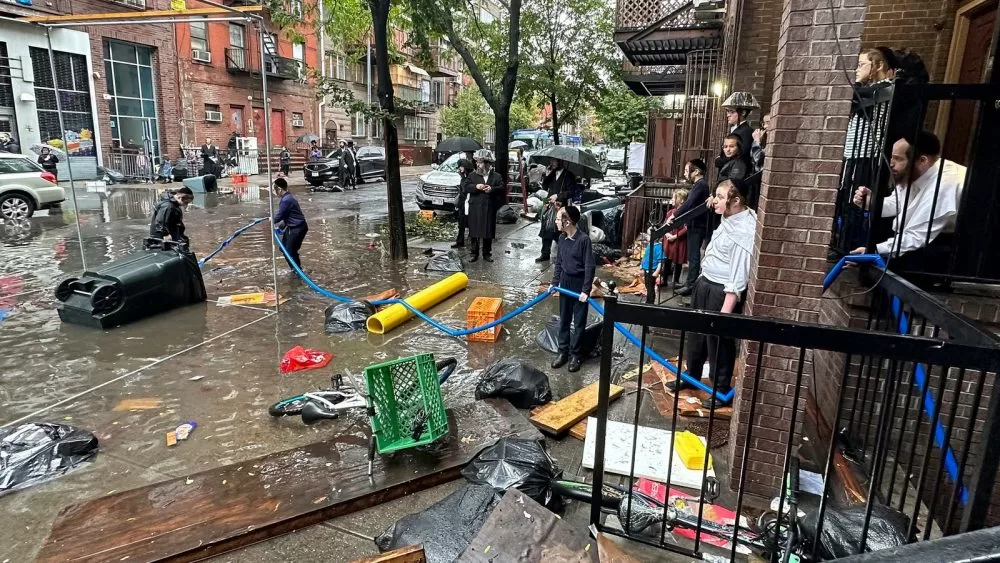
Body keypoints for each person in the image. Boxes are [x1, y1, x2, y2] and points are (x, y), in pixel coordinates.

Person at [667, 178, 757, 409]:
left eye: (719, 196)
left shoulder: (744, 230)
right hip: (705, 282)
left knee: (719, 341)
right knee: (696, 335)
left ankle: (721, 389)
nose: (714, 200)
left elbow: (738, 276)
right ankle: (692, 376)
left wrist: (726, 309)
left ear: (736, 201)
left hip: (721, 290)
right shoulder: (728, 217)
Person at [851, 131, 966, 270]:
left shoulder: (945, 183)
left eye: (898, 158)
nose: (891, 164)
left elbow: (917, 236)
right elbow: (898, 203)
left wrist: (873, 251)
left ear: (922, 160)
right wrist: (871, 202)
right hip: (927, 239)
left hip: (956, 247)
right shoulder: (915, 173)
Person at [549, 205, 595, 373]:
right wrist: (554, 283)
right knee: (564, 319)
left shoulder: (583, 240)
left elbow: (589, 266)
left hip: (579, 284)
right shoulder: (562, 239)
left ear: (567, 222)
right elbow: (559, 263)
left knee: (579, 322)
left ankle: (576, 355)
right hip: (565, 283)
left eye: (558, 219)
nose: (556, 222)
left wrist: (586, 290)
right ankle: (563, 352)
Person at [669, 159, 710, 297]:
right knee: (692, 256)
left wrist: (674, 215)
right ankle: (689, 283)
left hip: (698, 225)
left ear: (696, 171)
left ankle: (691, 285)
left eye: (687, 170)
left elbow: (689, 203)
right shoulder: (699, 185)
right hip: (695, 223)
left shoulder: (701, 184)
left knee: (694, 256)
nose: (685, 174)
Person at [464, 148, 504, 262]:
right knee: (474, 230)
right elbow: (465, 187)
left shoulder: (496, 176)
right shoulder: (472, 175)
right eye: (477, 162)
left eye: (480, 162)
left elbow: (502, 188)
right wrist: (476, 187)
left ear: (487, 163)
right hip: (475, 207)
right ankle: (474, 253)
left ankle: (487, 253)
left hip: (489, 207)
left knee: (488, 230)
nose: (478, 164)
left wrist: (492, 189)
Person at [272, 177, 309, 270]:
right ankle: (295, 269)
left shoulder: (286, 200)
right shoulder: (288, 198)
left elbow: (279, 216)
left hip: (297, 228)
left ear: (279, 189)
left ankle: (297, 270)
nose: (274, 192)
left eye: (274, 189)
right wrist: (280, 227)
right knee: (284, 248)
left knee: (289, 251)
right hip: (292, 227)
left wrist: (270, 220)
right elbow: (288, 216)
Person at [718, 92, 758, 172]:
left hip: (736, 173)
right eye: (728, 111)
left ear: (743, 113)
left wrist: (719, 160)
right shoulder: (739, 129)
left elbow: (740, 156)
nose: (728, 115)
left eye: (732, 112)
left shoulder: (746, 131)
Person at [661, 189, 689, 290]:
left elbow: (686, 228)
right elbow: (665, 224)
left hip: (679, 240)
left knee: (678, 261)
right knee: (666, 260)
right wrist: (666, 233)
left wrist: (675, 236)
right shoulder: (670, 212)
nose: (672, 199)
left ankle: (675, 281)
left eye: (674, 198)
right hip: (669, 238)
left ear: (681, 200)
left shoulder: (686, 213)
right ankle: (664, 279)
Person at [452, 158, 475, 249]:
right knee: (461, 224)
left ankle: (471, 243)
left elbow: (464, 191)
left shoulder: (470, 178)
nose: (459, 169)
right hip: (464, 204)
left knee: (470, 223)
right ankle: (460, 241)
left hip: (469, 203)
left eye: (460, 167)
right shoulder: (464, 178)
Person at [536, 195, 566, 262]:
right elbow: (546, 190)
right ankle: (545, 254)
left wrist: (557, 196)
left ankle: (566, 256)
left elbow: (569, 193)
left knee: (561, 237)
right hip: (550, 207)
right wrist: (548, 201)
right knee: (546, 234)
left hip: (561, 206)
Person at [641, 229, 665, 304]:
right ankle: (648, 300)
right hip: (646, 268)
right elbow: (645, 256)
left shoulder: (658, 247)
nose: (647, 236)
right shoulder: (649, 245)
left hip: (652, 270)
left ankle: (650, 302)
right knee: (647, 285)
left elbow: (661, 262)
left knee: (650, 287)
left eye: (649, 235)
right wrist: (642, 265)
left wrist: (657, 272)